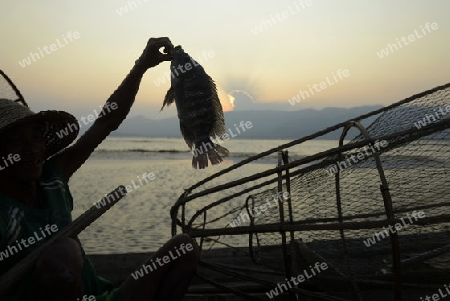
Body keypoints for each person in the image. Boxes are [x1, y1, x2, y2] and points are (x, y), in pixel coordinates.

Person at [0, 37, 200, 301]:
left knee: (183, 247)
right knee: (64, 254)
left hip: (102, 296)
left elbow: (107, 121)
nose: (31, 150)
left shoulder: (52, 178)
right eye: (15, 141)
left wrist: (142, 65)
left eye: (36, 138)